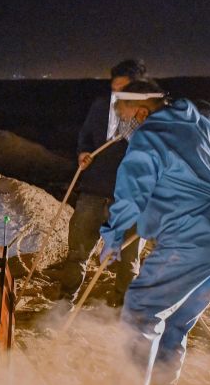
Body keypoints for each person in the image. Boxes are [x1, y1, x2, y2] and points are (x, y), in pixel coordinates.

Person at [99, 80, 210, 385]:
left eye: (123, 116)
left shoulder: (151, 133)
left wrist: (112, 239)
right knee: (176, 319)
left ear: (141, 111)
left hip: (196, 230)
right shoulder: (200, 122)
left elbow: (129, 197)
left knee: (143, 309)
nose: (123, 126)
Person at [50, 59, 148, 306]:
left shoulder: (152, 116)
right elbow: (85, 136)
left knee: (129, 258)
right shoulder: (101, 106)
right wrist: (83, 152)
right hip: (93, 192)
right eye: (114, 87)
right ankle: (65, 300)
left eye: (124, 87)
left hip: (132, 199)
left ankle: (121, 305)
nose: (117, 93)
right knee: (78, 251)